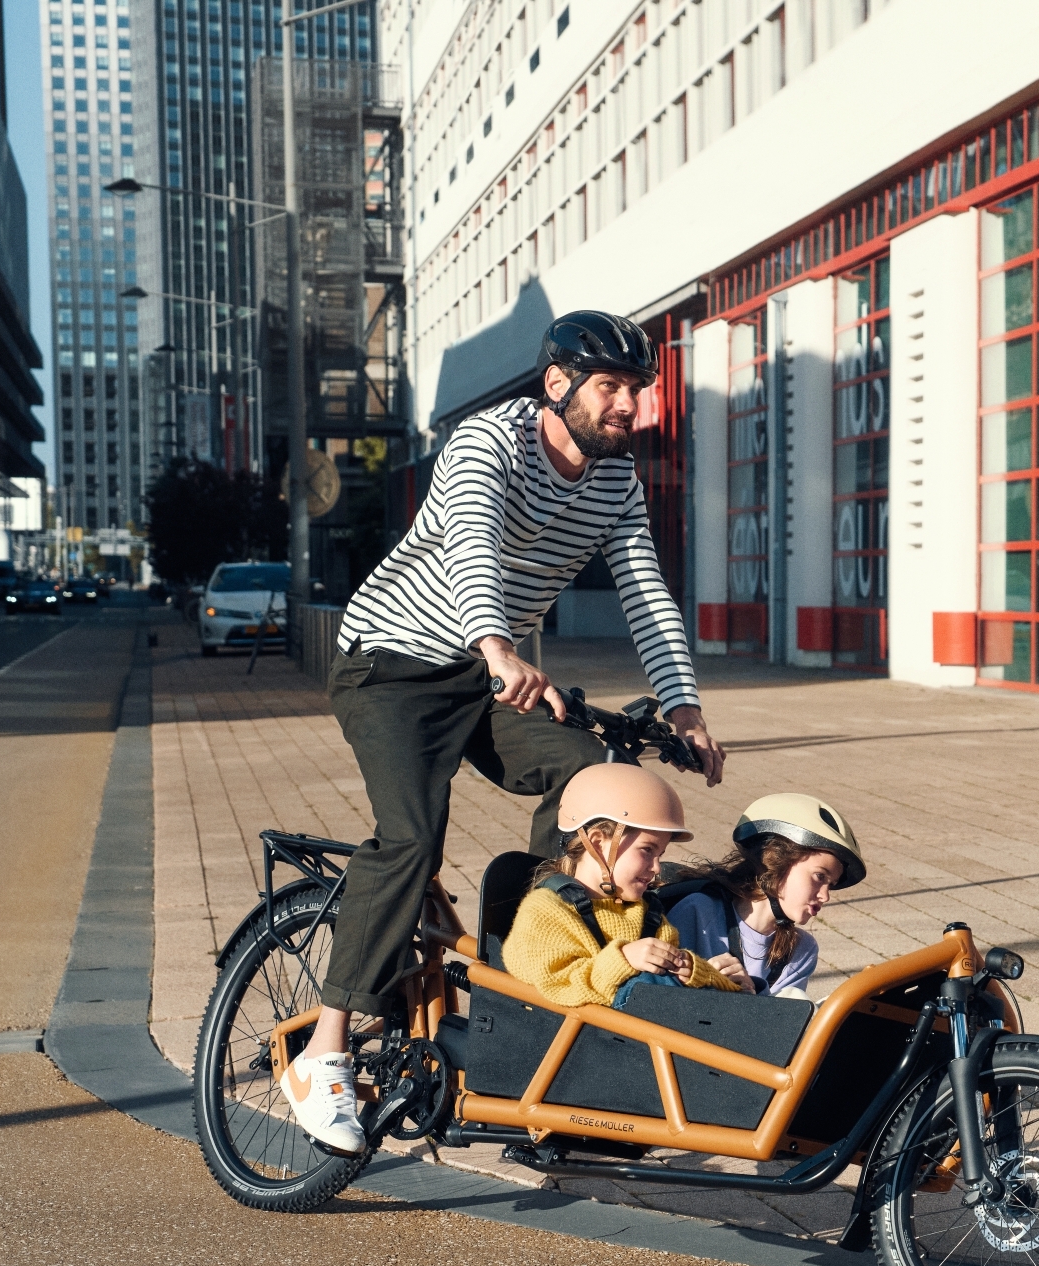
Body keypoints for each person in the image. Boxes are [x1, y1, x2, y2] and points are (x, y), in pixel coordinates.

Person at [281, 311, 727, 1158]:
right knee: (410, 837)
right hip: (393, 662)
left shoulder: (614, 482)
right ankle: (324, 1050)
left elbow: (645, 590)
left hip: (487, 675)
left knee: (591, 778)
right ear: (558, 386)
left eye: (638, 390)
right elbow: (471, 546)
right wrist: (494, 644)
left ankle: (536, 989)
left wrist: (684, 708)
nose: (631, 405)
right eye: (613, 388)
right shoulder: (488, 442)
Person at [507, 763, 746, 1010]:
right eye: (647, 850)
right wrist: (623, 959)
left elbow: (669, 988)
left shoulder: (647, 914)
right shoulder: (546, 911)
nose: (656, 867)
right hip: (574, 1038)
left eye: (660, 854)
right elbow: (558, 986)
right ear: (599, 844)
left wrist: (701, 972)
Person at [664, 794, 867, 1001]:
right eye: (819, 876)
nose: (825, 896)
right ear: (775, 859)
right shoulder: (698, 911)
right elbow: (660, 998)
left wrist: (752, 993)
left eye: (830, 885)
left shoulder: (802, 950)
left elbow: (782, 1027)